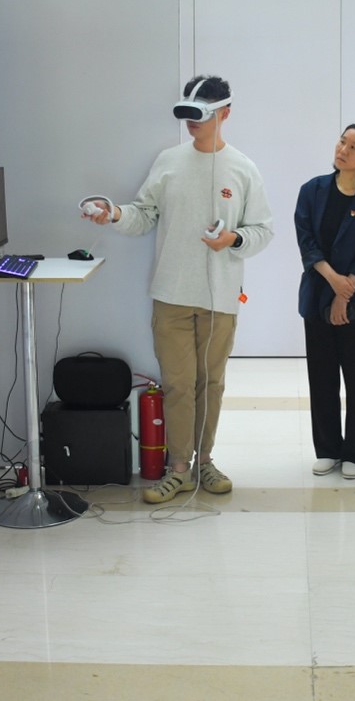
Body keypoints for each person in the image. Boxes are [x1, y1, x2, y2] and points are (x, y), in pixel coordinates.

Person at [83, 75, 274, 504]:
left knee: (211, 383)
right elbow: (144, 214)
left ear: (224, 113)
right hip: (171, 294)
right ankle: (179, 469)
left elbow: (263, 230)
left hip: (220, 297)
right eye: (187, 113)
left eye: (200, 114)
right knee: (178, 384)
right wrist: (115, 214)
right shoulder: (168, 161)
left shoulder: (243, 168)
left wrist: (233, 240)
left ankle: (205, 461)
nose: (192, 122)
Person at [295, 123, 355, 480]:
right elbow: (307, 242)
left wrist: (344, 290)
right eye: (341, 142)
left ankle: (353, 452)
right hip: (318, 293)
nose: (343, 150)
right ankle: (327, 449)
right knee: (321, 377)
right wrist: (333, 281)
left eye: (354, 147)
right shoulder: (312, 190)